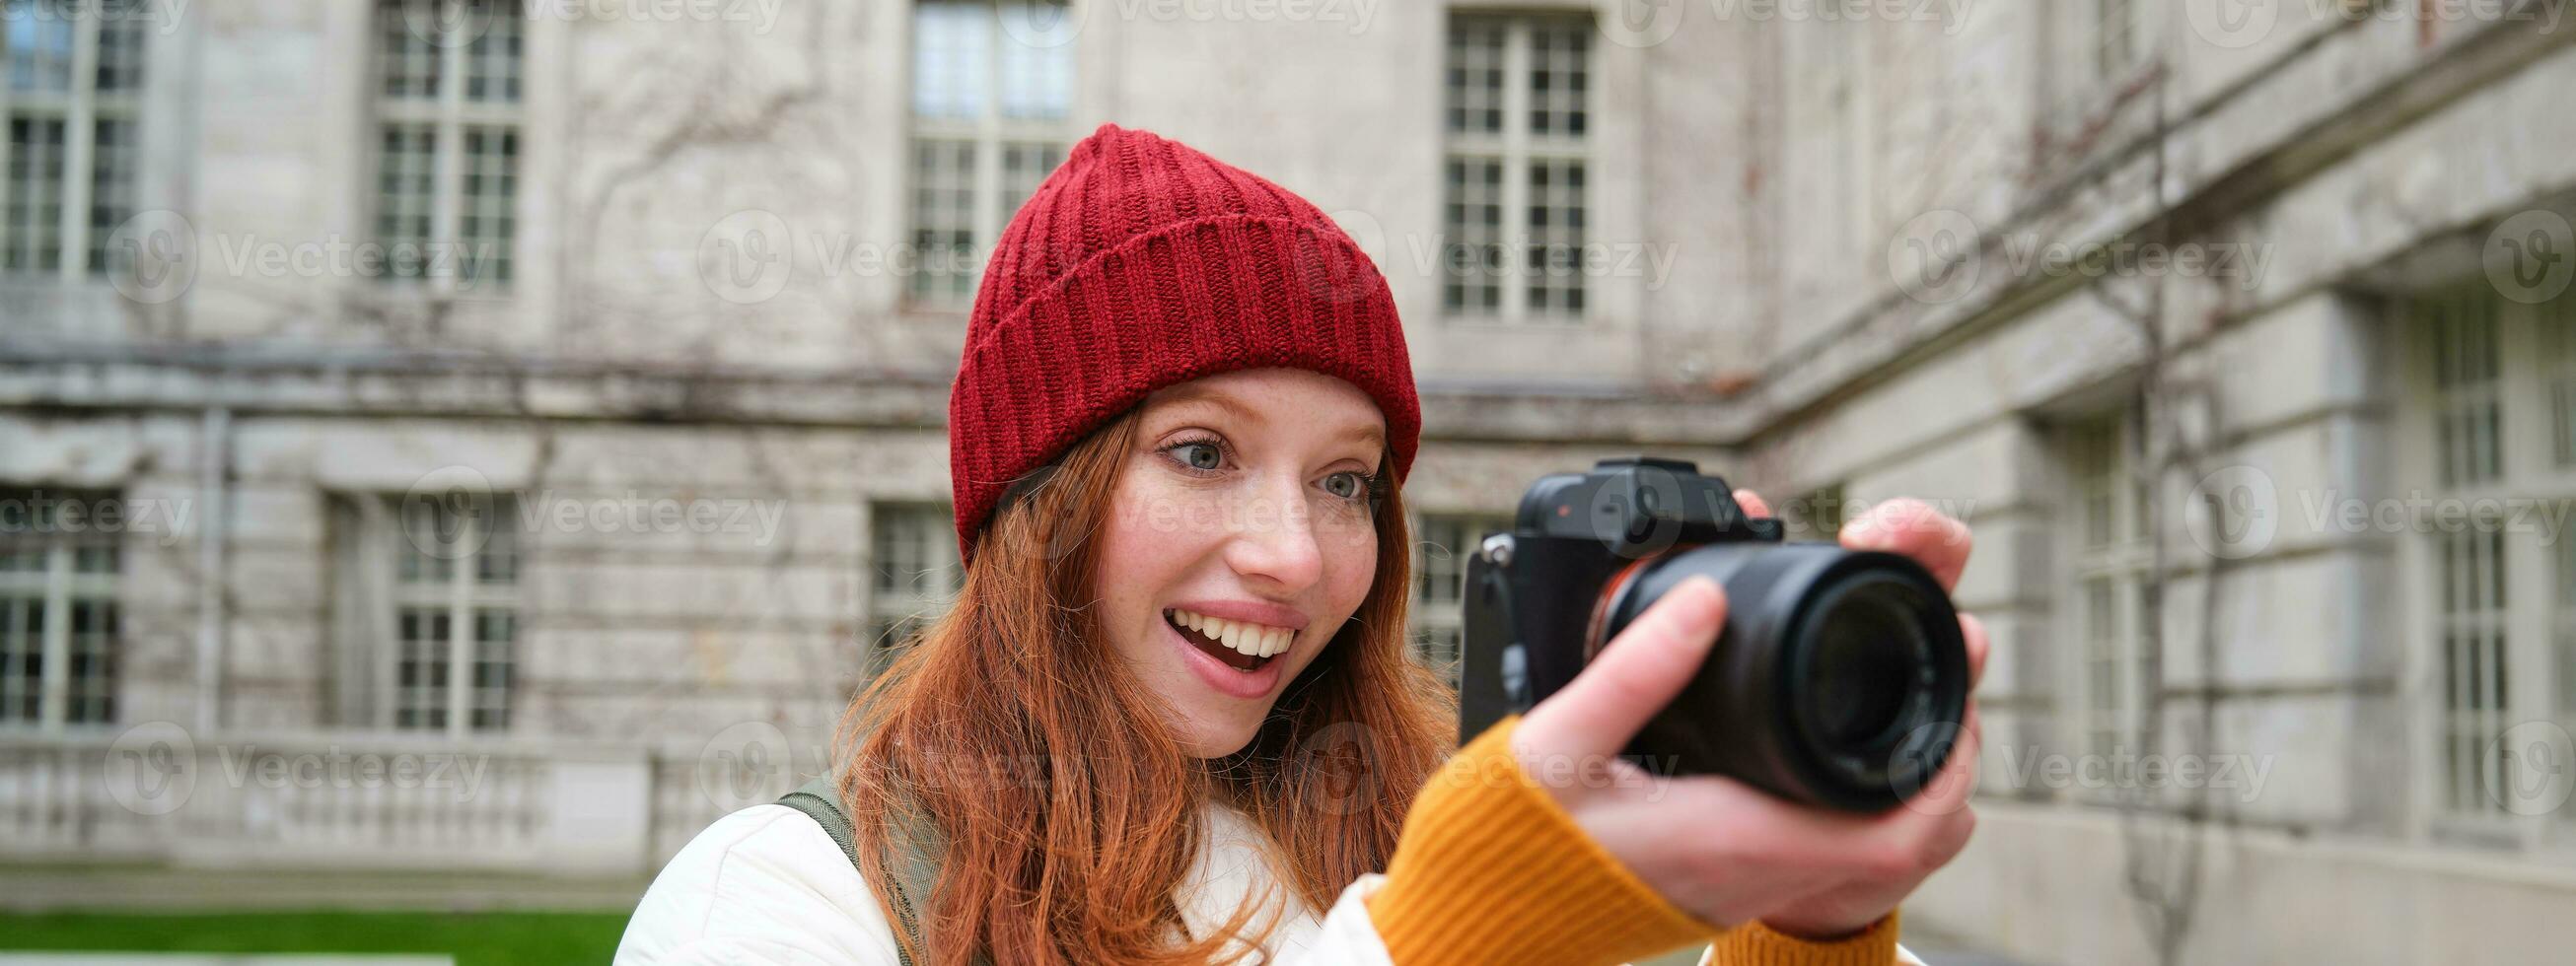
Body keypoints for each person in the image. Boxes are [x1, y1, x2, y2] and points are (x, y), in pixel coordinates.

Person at [615, 123, 1983, 966]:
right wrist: (1449, 940)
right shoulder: (784, 903)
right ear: (1037, 509)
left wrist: (1810, 926)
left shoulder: (1428, 834)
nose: (1295, 556)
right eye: (1201, 453)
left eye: (1347, 482)